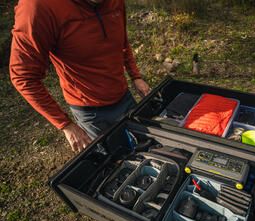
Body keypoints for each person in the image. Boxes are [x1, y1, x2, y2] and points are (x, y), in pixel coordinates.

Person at [9, 0, 150, 152]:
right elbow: (24, 77)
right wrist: (65, 124)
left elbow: (121, 40)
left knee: (145, 145)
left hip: (124, 96)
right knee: (114, 159)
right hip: (91, 111)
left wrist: (135, 76)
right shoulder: (38, 7)